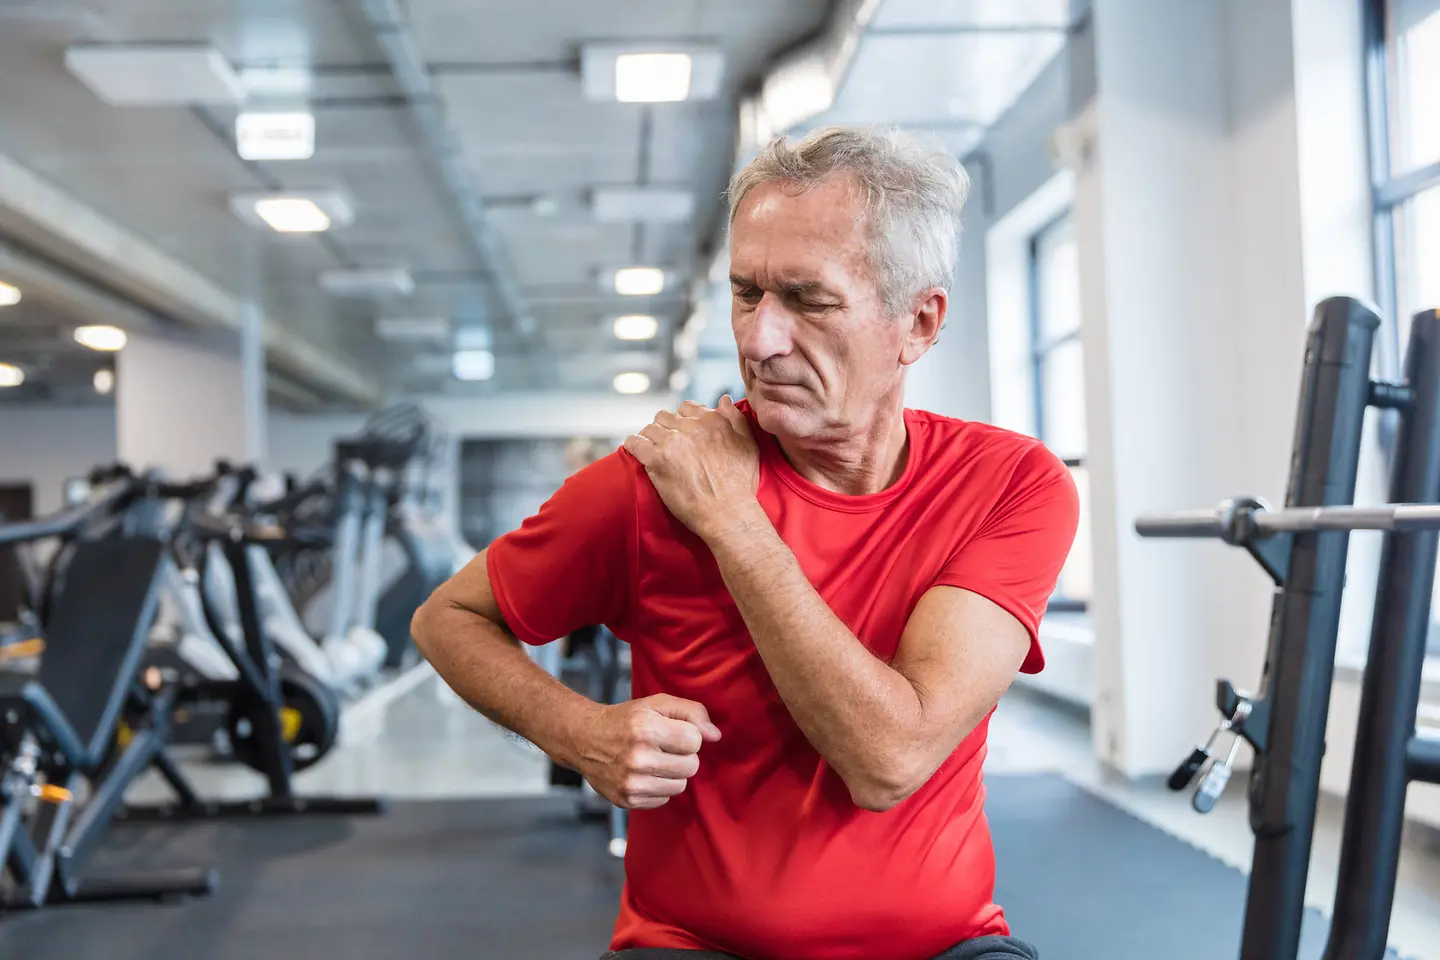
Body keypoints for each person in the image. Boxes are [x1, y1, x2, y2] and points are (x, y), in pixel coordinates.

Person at [412, 125, 1080, 960]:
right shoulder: (650, 480)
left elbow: (889, 759)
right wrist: (578, 732)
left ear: (919, 323)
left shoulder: (1010, 484)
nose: (760, 340)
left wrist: (735, 524)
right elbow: (448, 617)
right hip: (694, 944)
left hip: (943, 947)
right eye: (746, 294)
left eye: (808, 299)